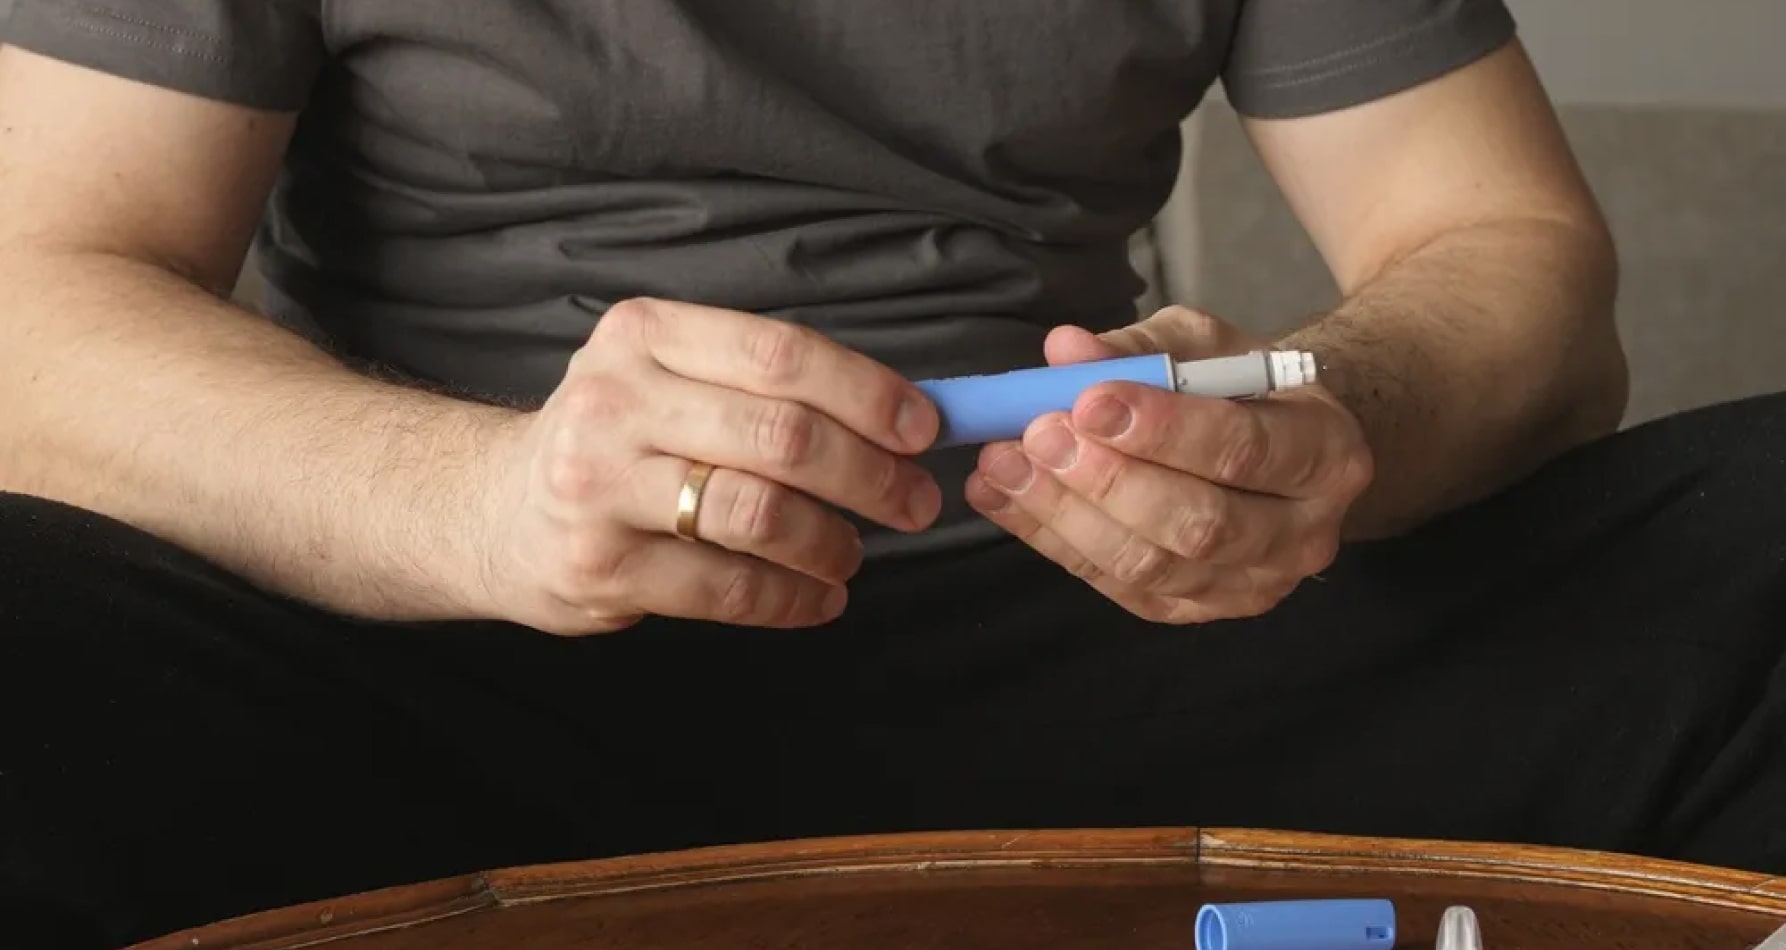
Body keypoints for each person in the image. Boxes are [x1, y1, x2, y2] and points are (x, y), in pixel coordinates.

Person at [1, 0, 1781, 946]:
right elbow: (40, 309)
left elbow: (1512, 260)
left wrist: (1319, 425)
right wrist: (485, 498)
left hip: (1107, 636)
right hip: (441, 667)